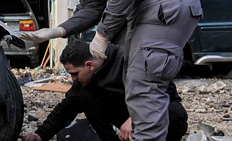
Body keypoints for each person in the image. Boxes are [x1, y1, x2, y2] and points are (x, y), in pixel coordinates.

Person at [21, 0, 201, 141]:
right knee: (135, 80)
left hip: (168, 1)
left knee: (143, 81)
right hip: (147, 10)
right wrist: (57, 31)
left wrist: (102, 35)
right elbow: (93, 7)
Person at [20, 40, 188, 141]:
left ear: (89, 65)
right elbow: (67, 108)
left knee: (175, 112)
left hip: (157, 112)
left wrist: (137, 117)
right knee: (84, 95)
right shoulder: (87, 78)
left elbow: (162, 93)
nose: (73, 79)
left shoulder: (128, 60)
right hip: (126, 118)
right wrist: (40, 135)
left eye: (75, 74)